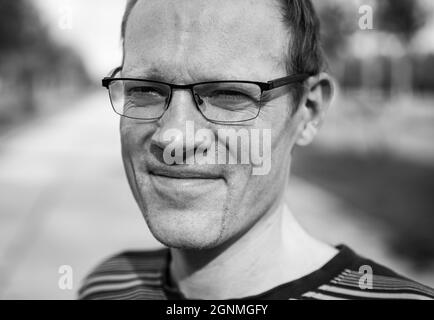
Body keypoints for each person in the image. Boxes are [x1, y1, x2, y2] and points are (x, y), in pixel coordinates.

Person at [78, 0, 434, 300]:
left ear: (308, 111)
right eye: (146, 90)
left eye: (228, 95)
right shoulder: (107, 285)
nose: (174, 137)